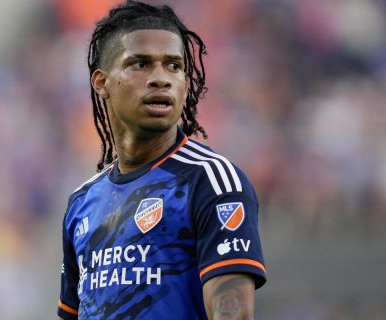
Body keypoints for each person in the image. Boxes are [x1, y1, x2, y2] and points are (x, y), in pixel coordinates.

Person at [57, 1, 266, 319]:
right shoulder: (81, 203)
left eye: (174, 66)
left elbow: (233, 312)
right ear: (102, 82)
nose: (161, 78)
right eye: (140, 64)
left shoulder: (210, 181)